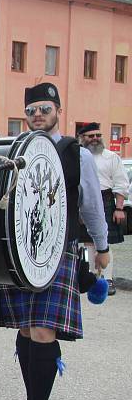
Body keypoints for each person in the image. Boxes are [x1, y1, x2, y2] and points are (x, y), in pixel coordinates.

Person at [0, 83, 109, 400]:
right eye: (31, 110)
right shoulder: (16, 149)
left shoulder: (77, 153)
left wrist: (101, 245)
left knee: (43, 330)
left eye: (44, 108)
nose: (37, 114)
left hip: (60, 250)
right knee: (26, 330)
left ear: (58, 110)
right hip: (20, 252)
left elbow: (90, 205)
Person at [77, 122, 128, 296]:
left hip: (105, 199)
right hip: (83, 200)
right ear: (82, 138)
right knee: (88, 242)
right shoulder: (78, 156)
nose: (95, 139)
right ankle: (92, 279)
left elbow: (121, 183)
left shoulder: (111, 157)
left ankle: (107, 279)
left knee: (105, 242)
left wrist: (119, 208)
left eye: (98, 135)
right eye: (91, 136)